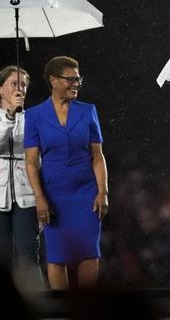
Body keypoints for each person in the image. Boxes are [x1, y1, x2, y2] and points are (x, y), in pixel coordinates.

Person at [24, 56, 109, 289]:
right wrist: (40, 198)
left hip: (86, 193)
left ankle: (86, 310)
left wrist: (103, 192)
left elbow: (97, 156)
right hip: (54, 195)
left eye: (78, 79)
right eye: (71, 79)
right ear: (53, 80)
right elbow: (31, 161)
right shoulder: (34, 115)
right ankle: (60, 312)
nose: (77, 84)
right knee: (56, 256)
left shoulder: (88, 111)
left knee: (89, 252)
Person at [0, 65, 43, 289]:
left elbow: (37, 155)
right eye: (14, 83)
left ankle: (36, 307)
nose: (20, 88)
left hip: (27, 195)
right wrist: (10, 116)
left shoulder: (33, 119)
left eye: (23, 84)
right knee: (0, 259)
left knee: (28, 256)